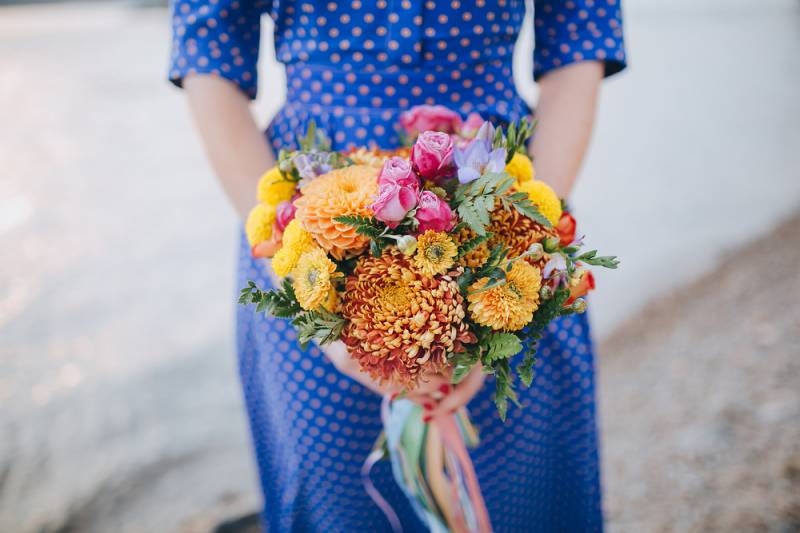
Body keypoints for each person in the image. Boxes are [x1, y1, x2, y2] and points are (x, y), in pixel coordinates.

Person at [169, 1, 625, 531]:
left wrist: (517, 250)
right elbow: (210, 56)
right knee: (338, 503)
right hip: (309, 222)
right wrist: (322, 317)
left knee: (523, 495)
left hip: (501, 200)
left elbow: (577, 37)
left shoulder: (511, 231)